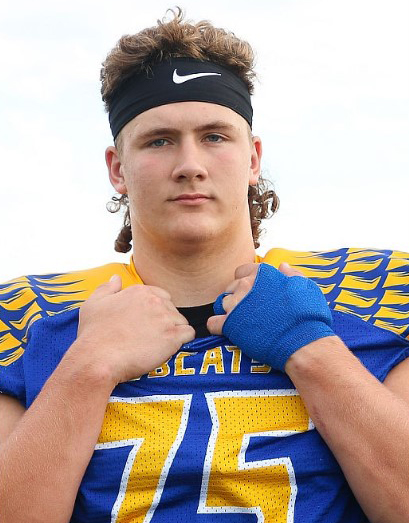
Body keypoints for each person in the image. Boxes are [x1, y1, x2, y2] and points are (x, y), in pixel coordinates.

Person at [1, 8, 409, 523]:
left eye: (215, 136)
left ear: (253, 159)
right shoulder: (32, 316)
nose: (189, 165)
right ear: (117, 169)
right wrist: (87, 368)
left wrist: (313, 350)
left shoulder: (365, 293)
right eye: (159, 140)